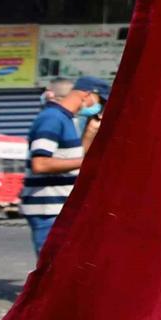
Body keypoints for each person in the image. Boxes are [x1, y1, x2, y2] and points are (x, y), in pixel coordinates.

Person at [22, 75, 110, 255]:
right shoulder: (52, 119)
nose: (99, 107)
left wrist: (90, 132)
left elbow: (74, 161)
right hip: (47, 210)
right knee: (50, 268)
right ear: (87, 95)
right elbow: (40, 164)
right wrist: (93, 162)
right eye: (100, 101)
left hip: (58, 207)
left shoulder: (66, 120)